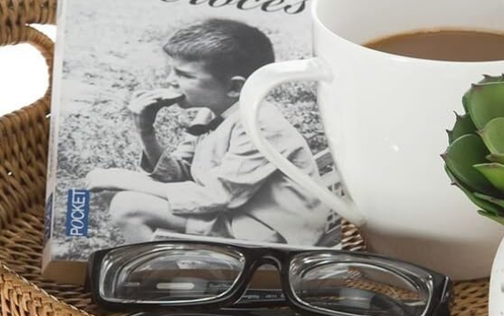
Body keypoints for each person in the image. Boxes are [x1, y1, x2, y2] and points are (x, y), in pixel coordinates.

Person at [84, 18, 328, 246]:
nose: (169, 80)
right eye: (172, 70)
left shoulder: (261, 124)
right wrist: (146, 131)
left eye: (184, 74)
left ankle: (165, 272)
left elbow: (219, 195)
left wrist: (127, 180)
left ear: (235, 87)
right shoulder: (210, 113)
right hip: (238, 213)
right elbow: (179, 175)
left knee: (128, 205)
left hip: (271, 232)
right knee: (117, 192)